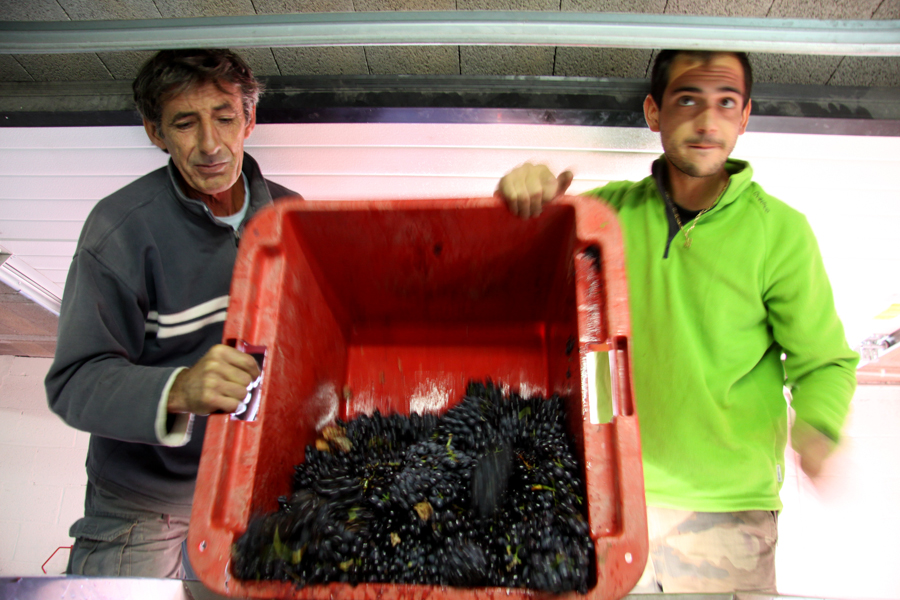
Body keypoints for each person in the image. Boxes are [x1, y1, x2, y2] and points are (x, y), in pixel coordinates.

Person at [496, 50, 858, 593]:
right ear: (654, 112)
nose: (707, 121)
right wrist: (524, 198)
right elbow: (510, 280)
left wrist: (820, 426)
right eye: (688, 100)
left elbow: (825, 361)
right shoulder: (603, 216)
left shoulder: (780, 231)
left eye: (725, 102)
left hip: (725, 515)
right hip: (604, 501)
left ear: (745, 115)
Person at [45, 49, 297, 578]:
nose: (210, 144)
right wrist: (179, 390)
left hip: (256, 496)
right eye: (185, 123)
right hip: (140, 507)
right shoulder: (118, 229)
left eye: (225, 118)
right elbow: (74, 382)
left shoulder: (290, 217)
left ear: (248, 120)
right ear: (154, 132)